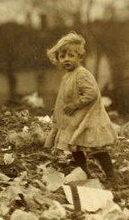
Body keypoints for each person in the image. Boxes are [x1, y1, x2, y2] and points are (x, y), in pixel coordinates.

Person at [44, 32, 119, 184]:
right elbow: (64, 97)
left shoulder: (81, 74)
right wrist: (57, 111)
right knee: (75, 148)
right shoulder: (68, 75)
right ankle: (84, 173)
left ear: (80, 57)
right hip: (75, 120)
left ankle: (112, 175)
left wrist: (75, 105)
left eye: (71, 55)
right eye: (62, 56)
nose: (66, 59)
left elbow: (91, 93)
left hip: (88, 119)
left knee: (97, 148)